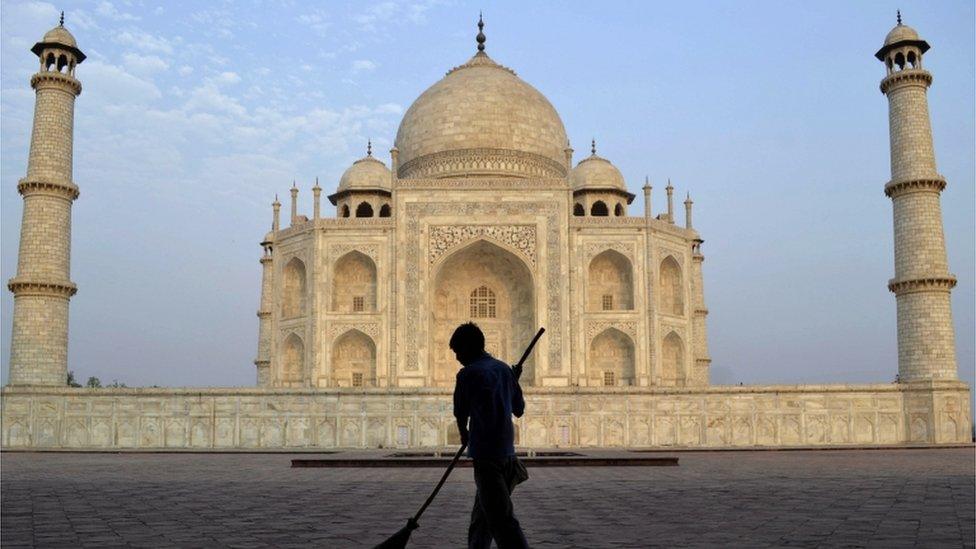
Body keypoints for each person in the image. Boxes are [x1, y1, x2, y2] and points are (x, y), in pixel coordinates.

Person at [451, 322, 529, 549]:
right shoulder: (504, 370)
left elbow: (460, 413)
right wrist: (514, 381)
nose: (457, 357)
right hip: (507, 455)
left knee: (502, 520)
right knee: (482, 518)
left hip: (486, 457)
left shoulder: (467, 374)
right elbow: (519, 409)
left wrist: (465, 436)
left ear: (468, 348)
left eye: (458, 352)